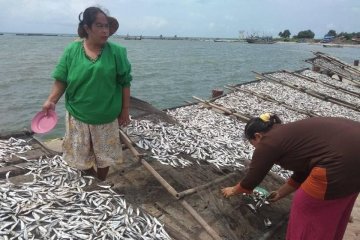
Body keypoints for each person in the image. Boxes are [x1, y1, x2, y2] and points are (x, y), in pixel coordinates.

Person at [221, 113, 360, 240]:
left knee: (305, 206)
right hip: (353, 158)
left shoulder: (268, 141)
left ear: (257, 136)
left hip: (341, 163)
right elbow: (304, 170)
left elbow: (252, 180)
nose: (254, 148)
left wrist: (233, 190)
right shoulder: (286, 133)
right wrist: (281, 193)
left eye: (252, 144)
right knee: (337, 204)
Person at [42, 6, 132, 181]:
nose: (105, 30)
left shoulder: (117, 52)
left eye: (106, 26)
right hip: (78, 113)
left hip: (105, 114)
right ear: (87, 28)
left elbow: (125, 83)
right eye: (99, 26)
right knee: (81, 152)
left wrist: (125, 111)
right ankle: (88, 178)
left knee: (104, 155)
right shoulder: (72, 50)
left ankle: (101, 180)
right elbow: (62, 79)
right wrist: (51, 101)